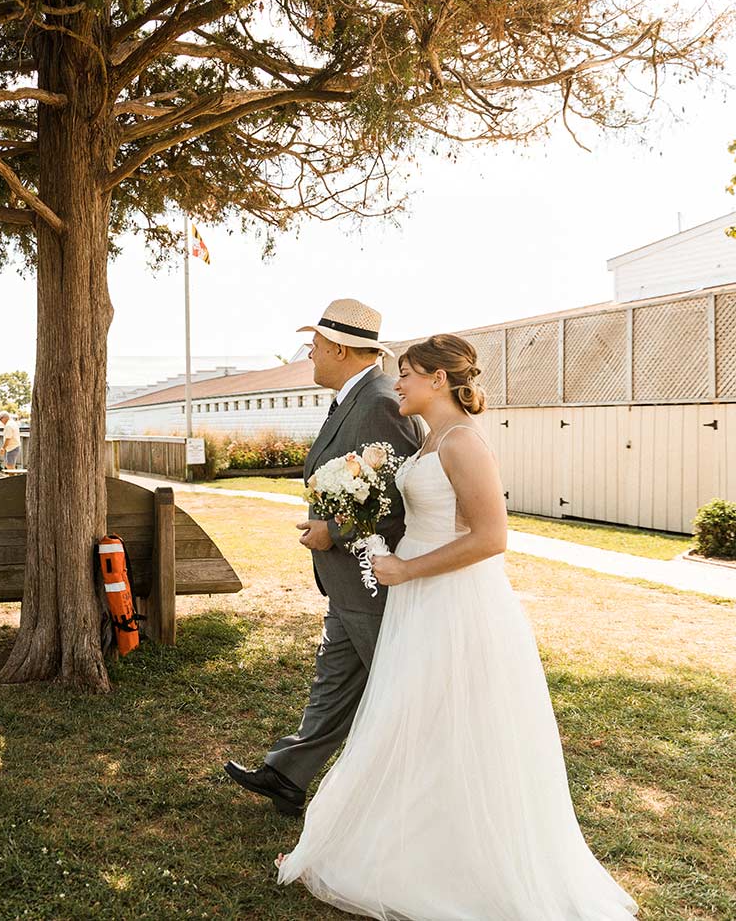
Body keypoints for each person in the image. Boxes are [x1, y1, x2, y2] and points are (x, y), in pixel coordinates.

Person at [276, 334, 637, 919]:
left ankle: (459, 858)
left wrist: (405, 569)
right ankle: (412, 835)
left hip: (454, 600)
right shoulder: (430, 441)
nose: (399, 384)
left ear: (438, 380)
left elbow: (491, 539)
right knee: (416, 717)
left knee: (455, 719)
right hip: (419, 598)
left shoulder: (464, 443)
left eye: (410, 375)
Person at [225, 298, 421, 814]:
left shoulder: (379, 401)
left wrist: (332, 531)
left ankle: (420, 796)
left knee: (403, 691)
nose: (309, 355)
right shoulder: (352, 398)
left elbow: (398, 496)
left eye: (313, 346)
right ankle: (287, 775)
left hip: (369, 577)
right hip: (346, 580)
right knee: (335, 677)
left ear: (339, 348)